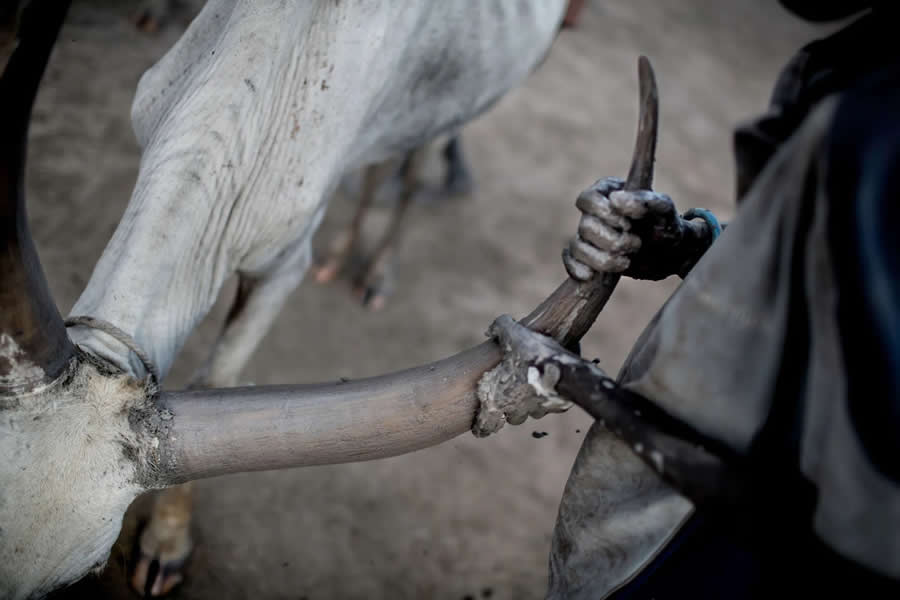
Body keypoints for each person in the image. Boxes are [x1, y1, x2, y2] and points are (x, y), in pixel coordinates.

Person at [546, 1, 900, 597]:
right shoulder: (873, 59)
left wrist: (594, 396)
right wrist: (692, 245)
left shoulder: (884, 127)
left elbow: (866, 533)